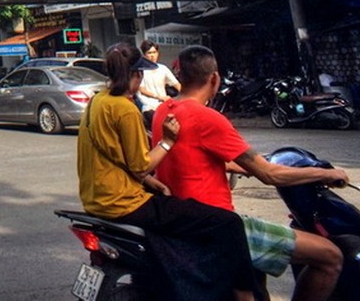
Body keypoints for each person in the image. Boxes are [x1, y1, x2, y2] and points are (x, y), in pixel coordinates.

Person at [151, 46, 347, 301]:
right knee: (330, 257)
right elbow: (270, 175)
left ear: (180, 79)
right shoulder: (208, 118)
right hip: (218, 224)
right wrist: (325, 175)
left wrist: (237, 166)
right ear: (214, 78)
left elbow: (189, 156)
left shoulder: (163, 112)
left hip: (184, 216)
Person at [77, 43, 255, 301]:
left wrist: (153, 182)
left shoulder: (97, 101)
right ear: (136, 75)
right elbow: (141, 166)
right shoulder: (125, 109)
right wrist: (168, 141)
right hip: (123, 203)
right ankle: (243, 294)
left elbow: (119, 157)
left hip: (96, 199)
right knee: (228, 224)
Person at [137, 39, 180, 129]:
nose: (152, 55)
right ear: (144, 55)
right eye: (149, 53)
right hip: (148, 107)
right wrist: (159, 97)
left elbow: (176, 84)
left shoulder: (163, 68)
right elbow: (142, 89)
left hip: (164, 106)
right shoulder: (141, 70)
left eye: (154, 52)